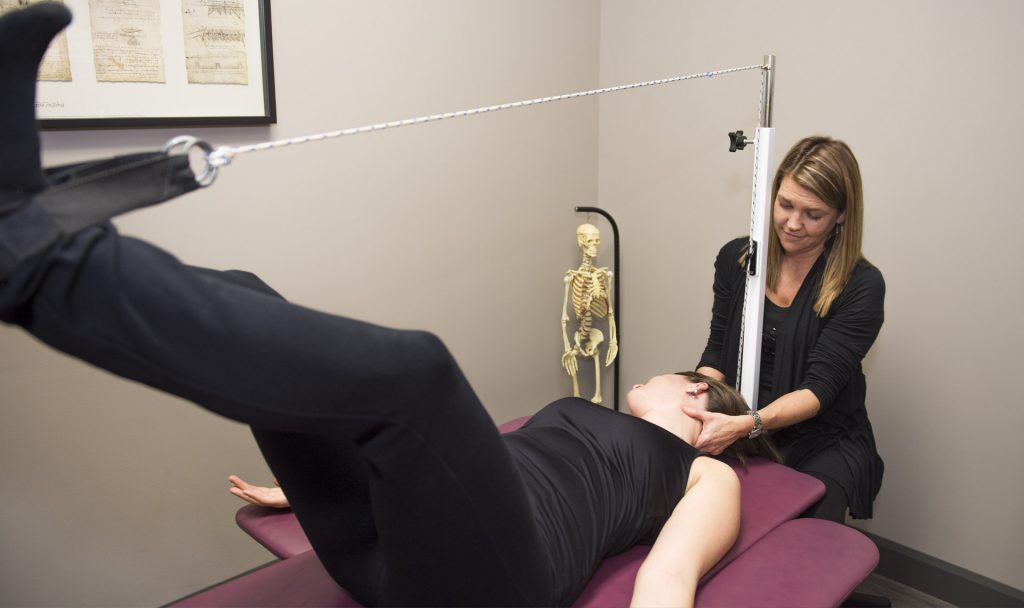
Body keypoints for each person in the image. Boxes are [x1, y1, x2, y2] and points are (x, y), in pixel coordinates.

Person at [0, 4, 781, 607]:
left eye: (676, 375)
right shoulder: (592, 418)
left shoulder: (704, 476)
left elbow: (667, 579)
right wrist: (311, 481)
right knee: (246, 288)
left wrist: (736, 435)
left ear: (697, 398)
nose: (654, 373)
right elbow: (462, 471)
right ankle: (35, 244)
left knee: (420, 372)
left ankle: (32, 265)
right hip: (393, 552)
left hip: (497, 586)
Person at [686, 135, 885, 522]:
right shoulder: (736, 259)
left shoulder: (861, 286)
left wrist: (748, 425)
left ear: (841, 215)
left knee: (804, 532)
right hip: (740, 421)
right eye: (785, 205)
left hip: (820, 438)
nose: (793, 224)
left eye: (813, 214)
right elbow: (717, 350)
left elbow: (817, 391)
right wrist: (695, 398)